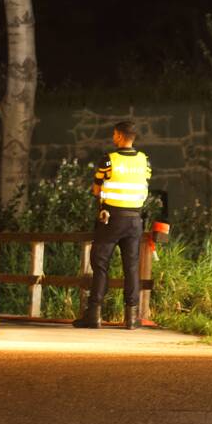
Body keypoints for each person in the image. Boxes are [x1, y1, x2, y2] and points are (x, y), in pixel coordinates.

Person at [73, 121, 152, 329]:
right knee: (132, 267)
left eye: (114, 134)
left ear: (118, 136)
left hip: (111, 218)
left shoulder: (108, 160)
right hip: (135, 219)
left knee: (100, 265)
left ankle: (94, 315)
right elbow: (146, 183)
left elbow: (96, 189)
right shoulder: (144, 161)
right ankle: (132, 318)